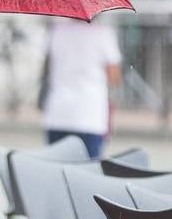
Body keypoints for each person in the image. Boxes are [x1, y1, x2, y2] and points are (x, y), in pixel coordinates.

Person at [40, 19, 122, 158]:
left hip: (57, 112)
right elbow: (114, 77)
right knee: (88, 172)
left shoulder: (57, 30)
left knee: (57, 171)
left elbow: (46, 69)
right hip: (89, 115)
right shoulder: (103, 32)